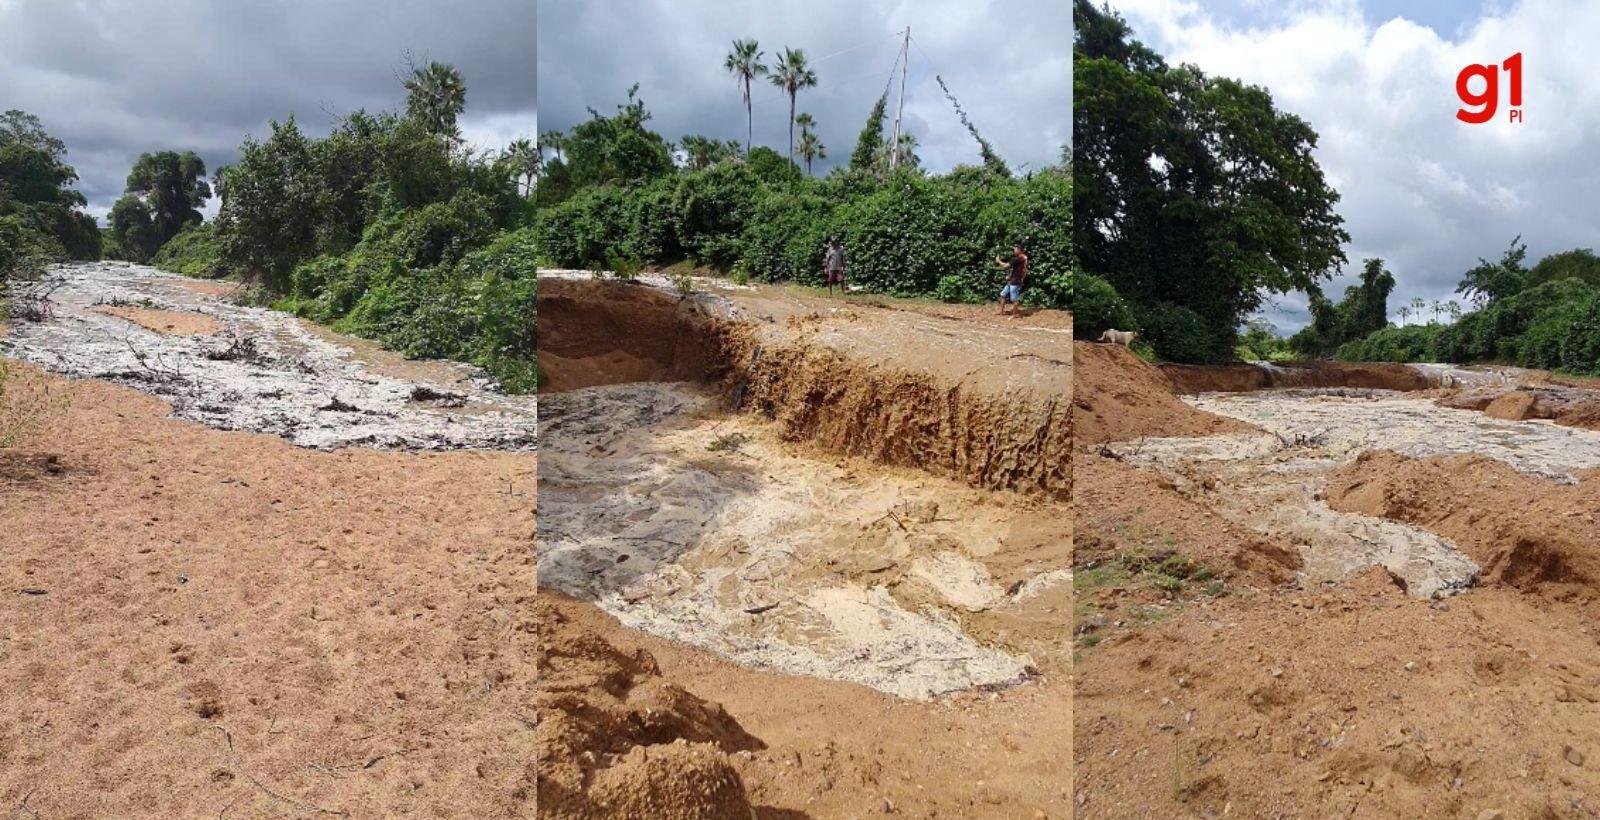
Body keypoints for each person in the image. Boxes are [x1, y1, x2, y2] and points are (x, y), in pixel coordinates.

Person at [995, 243, 1028, 317]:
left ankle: (1015, 314)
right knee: (1002, 295)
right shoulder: (1023, 257)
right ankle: (1001, 312)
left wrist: (998, 261)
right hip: (1012, 280)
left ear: (1019, 250)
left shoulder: (1018, 258)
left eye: (1015, 249)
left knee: (1014, 299)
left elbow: (1005, 266)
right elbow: (1017, 269)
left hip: (1016, 281)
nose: (1014, 250)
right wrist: (1010, 276)